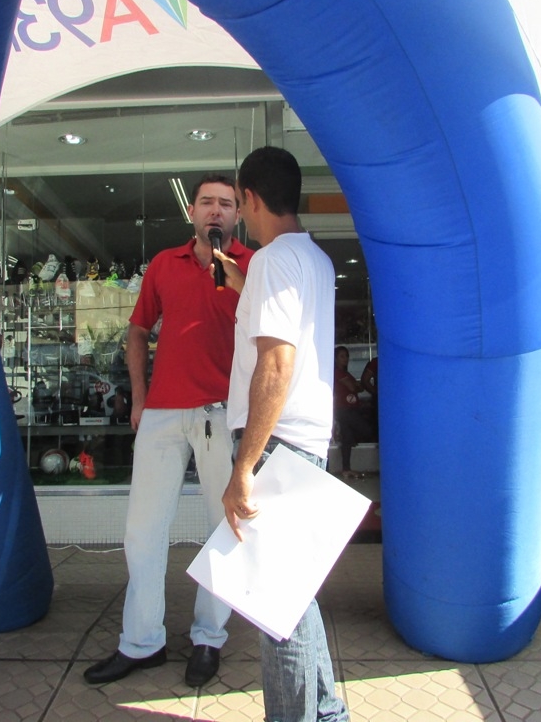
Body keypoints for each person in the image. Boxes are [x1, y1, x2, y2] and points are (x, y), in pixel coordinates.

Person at [83, 174, 254, 688]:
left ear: (239, 214)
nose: (216, 211)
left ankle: (208, 638)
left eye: (226, 204)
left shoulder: (252, 266)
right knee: (143, 531)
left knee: (225, 529)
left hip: (221, 415)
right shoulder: (163, 264)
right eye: (207, 202)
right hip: (161, 413)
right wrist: (139, 397)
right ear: (192, 211)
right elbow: (138, 330)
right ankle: (141, 642)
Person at [214, 146, 349, 722]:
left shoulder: (274, 260)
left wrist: (244, 466)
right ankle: (327, 711)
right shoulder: (311, 258)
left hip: (276, 445)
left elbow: (276, 363)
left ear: (250, 198)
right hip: (305, 441)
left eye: (238, 201)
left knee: (277, 608)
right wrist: (245, 285)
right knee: (295, 595)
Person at [333, 345, 373, 479]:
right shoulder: (338, 373)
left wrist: (356, 386)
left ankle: (346, 469)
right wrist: (355, 386)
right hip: (344, 409)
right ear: (336, 359)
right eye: (342, 356)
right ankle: (351, 439)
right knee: (367, 430)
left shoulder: (346, 373)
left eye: (347, 356)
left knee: (347, 440)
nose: (345, 359)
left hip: (349, 408)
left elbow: (359, 387)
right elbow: (353, 387)